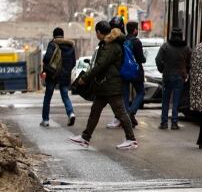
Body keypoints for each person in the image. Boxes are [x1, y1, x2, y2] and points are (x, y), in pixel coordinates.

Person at [69, 21, 137, 150]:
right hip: (105, 85)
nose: (96, 35)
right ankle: (85, 137)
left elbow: (100, 65)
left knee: (121, 112)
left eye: (96, 32)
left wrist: (84, 78)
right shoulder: (110, 44)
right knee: (95, 110)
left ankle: (131, 139)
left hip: (110, 85)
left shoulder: (110, 46)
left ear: (99, 32)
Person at [105, 20, 145, 129]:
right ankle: (131, 113)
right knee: (141, 92)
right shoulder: (137, 42)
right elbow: (141, 59)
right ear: (135, 30)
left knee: (125, 96)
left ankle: (125, 118)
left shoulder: (123, 40)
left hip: (124, 71)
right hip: (136, 72)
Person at [155, 27, 191, 130]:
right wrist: (186, 70)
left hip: (167, 75)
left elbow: (158, 59)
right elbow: (190, 61)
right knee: (176, 100)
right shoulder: (186, 47)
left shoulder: (165, 46)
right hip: (180, 76)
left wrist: (162, 69)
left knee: (165, 100)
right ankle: (174, 123)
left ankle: (164, 122)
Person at [40, 27, 76, 127]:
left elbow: (47, 58)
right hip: (65, 76)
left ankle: (45, 120)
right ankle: (71, 113)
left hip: (53, 75)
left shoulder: (52, 44)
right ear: (63, 35)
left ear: (54, 35)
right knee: (65, 96)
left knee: (48, 97)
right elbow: (73, 63)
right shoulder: (70, 46)